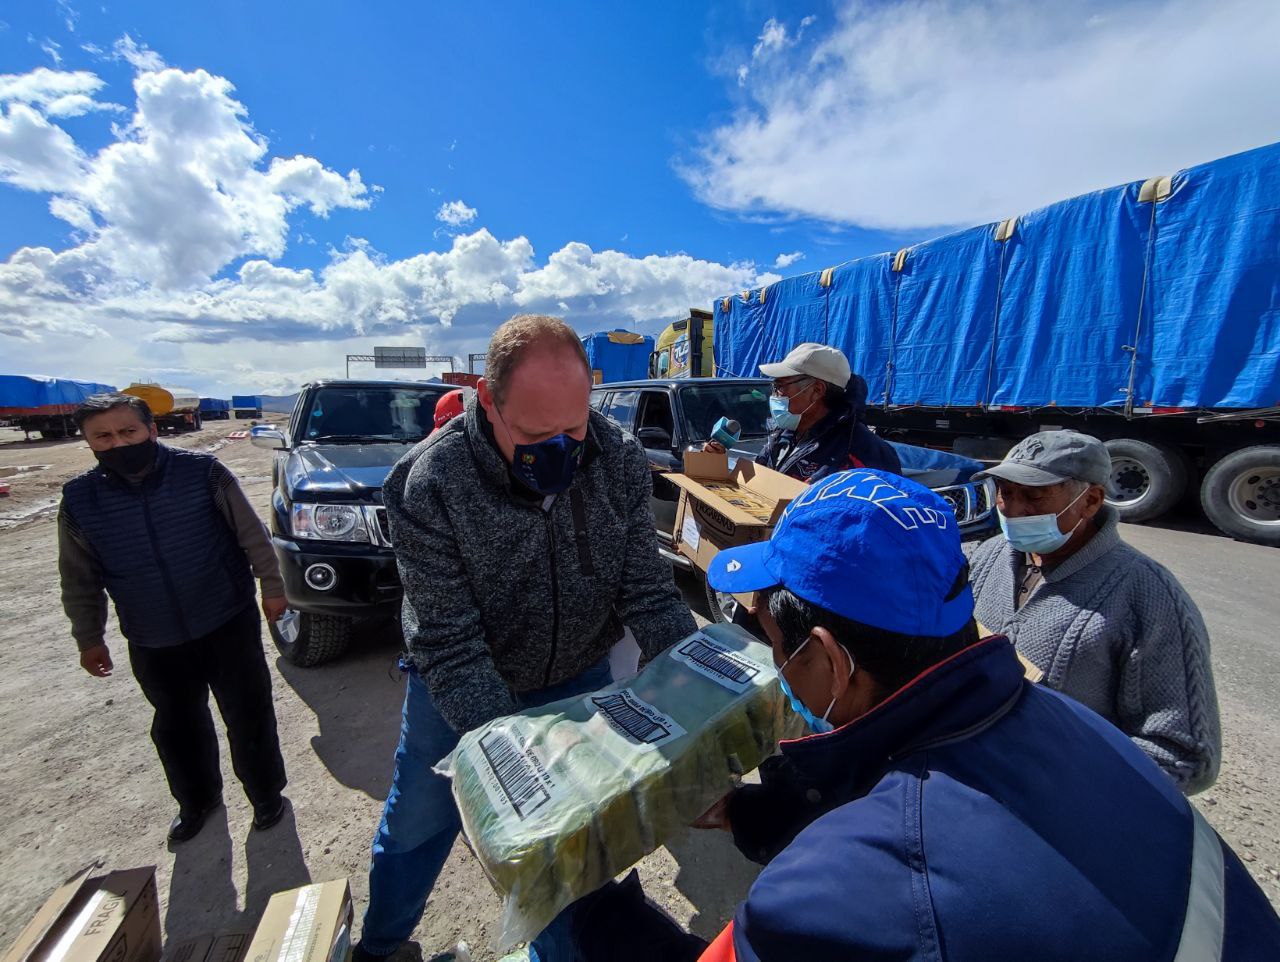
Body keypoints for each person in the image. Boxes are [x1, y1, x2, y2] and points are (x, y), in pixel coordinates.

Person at [548, 468, 1280, 962]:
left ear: (830, 659)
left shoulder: (840, 890)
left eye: (771, 639)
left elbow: (894, 865)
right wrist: (753, 812)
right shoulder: (1074, 725)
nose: (772, 663)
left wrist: (580, 903)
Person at [355, 315, 696, 961]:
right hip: (458, 691)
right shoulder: (428, 482)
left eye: (573, 429)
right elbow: (449, 643)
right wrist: (512, 758)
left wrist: (703, 680)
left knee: (585, 841)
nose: (563, 450)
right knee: (419, 824)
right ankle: (381, 946)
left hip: (580, 677)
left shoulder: (616, 455)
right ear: (488, 401)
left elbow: (645, 590)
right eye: (537, 436)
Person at [57, 393, 289, 843]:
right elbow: (78, 576)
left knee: (248, 714)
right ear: (87, 442)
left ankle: (266, 796)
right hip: (152, 635)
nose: (118, 443)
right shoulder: (81, 500)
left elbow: (254, 536)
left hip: (226, 618)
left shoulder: (202, 474)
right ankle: (197, 801)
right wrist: (89, 637)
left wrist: (272, 588)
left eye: (128, 432)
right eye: (102, 436)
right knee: (176, 725)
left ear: (151, 430)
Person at [970, 430, 1221, 794]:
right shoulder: (989, 556)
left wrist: (1051, 773)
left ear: (1090, 501)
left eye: (1034, 496)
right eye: (1005, 493)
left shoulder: (1148, 595)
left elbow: (1185, 757)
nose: (1013, 510)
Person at [704, 342, 901, 478]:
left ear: (816, 390)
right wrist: (717, 466)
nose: (775, 395)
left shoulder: (864, 452)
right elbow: (758, 482)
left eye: (781, 386)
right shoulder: (784, 435)